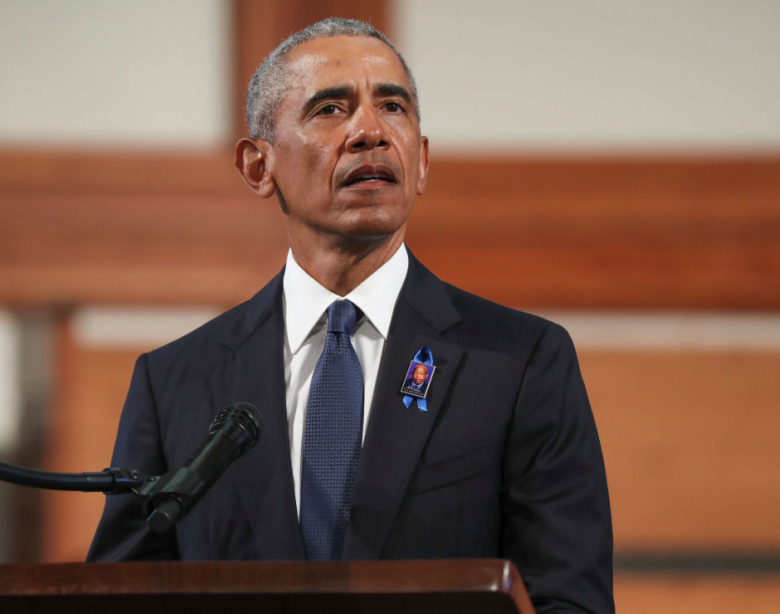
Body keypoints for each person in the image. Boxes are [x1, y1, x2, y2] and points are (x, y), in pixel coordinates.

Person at [88, 18, 614, 613]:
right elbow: (118, 596)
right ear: (258, 167)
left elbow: (571, 601)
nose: (371, 131)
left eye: (393, 106)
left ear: (421, 159)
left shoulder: (520, 363)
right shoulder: (175, 382)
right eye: (331, 109)